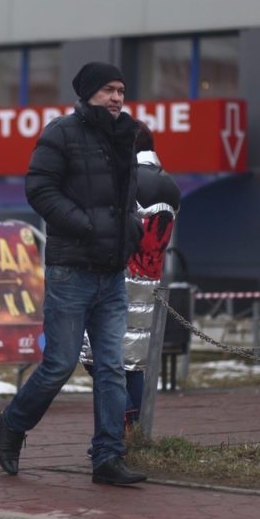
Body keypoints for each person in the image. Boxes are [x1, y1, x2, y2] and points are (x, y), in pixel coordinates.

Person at [0, 62, 147, 485]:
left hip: (113, 272)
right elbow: (39, 188)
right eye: (109, 90)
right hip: (71, 270)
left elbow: (130, 196)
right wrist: (84, 224)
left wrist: (131, 230)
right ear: (88, 93)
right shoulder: (61, 132)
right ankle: (12, 424)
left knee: (111, 368)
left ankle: (107, 457)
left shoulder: (126, 134)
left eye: (121, 89)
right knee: (60, 364)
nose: (117, 97)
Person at [78, 120, 180, 429]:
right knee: (134, 363)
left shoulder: (124, 180)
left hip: (114, 277)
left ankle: (120, 423)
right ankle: (131, 430)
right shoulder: (170, 185)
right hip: (149, 278)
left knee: (98, 359)